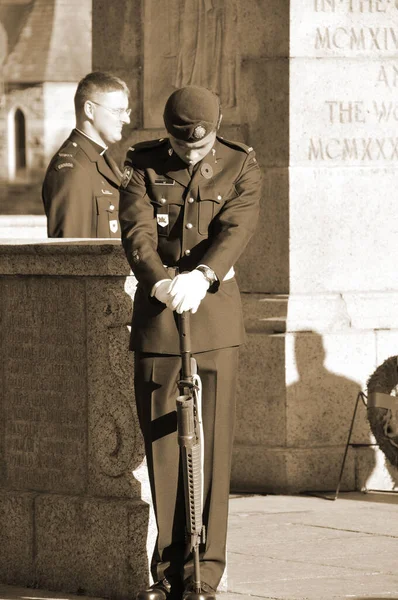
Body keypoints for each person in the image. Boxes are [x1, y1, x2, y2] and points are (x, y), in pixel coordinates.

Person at [119, 85, 262, 600]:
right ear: (170, 135)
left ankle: (206, 571)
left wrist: (203, 274)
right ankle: (168, 570)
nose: (192, 154)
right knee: (163, 448)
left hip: (214, 313)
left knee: (214, 447)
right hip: (160, 315)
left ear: (217, 128)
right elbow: (136, 231)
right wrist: (158, 279)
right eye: (183, 148)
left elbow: (236, 230)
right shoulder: (141, 162)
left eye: (200, 147)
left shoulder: (242, 165)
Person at [42, 71, 130, 238]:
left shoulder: (100, 160)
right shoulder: (71, 169)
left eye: (127, 111)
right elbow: (71, 253)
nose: (126, 119)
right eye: (118, 111)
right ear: (90, 110)